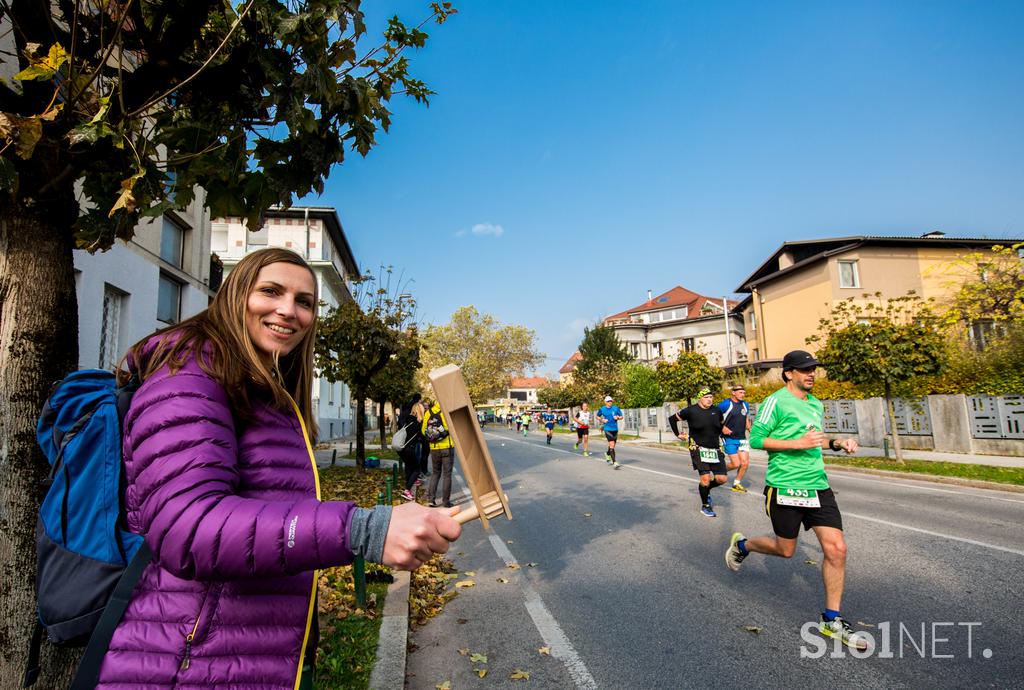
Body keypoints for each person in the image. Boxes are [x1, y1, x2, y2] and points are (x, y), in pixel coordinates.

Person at [102, 248, 461, 689]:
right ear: (235, 295)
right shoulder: (189, 373)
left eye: (305, 301)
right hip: (184, 665)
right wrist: (361, 530)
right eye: (270, 291)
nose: (288, 310)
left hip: (236, 657)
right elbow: (187, 529)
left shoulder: (256, 383)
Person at [724, 350, 864, 650]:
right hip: (785, 486)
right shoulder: (775, 401)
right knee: (786, 550)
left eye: (813, 369)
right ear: (789, 373)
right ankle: (743, 546)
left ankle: (831, 620)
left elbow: (817, 438)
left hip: (817, 484)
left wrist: (837, 442)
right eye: (804, 370)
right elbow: (758, 439)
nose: (811, 374)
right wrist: (795, 444)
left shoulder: (814, 403)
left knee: (837, 548)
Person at [669, 387, 727, 517]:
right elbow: (672, 419)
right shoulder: (690, 411)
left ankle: (706, 489)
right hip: (697, 448)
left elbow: (721, 425)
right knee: (705, 478)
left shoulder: (717, 411)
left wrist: (725, 432)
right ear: (700, 398)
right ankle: (705, 505)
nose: (709, 400)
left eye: (711, 397)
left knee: (722, 479)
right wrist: (678, 434)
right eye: (706, 397)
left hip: (715, 448)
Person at [422, 399, 456, 508]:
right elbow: (452, 428)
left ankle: (431, 500)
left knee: (435, 473)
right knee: (447, 475)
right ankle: (446, 502)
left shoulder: (428, 412)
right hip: (447, 447)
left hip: (434, 447)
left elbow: (423, 431)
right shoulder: (447, 411)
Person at [719, 384, 752, 492]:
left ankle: (736, 483)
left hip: (742, 438)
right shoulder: (726, 404)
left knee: (745, 463)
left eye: (744, 393)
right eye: (740, 392)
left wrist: (749, 428)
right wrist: (722, 427)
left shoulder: (745, 404)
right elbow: (714, 416)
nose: (743, 395)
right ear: (733, 392)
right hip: (729, 438)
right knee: (735, 464)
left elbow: (746, 417)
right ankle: (721, 470)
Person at [397, 393, 424, 501]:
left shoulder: (408, 418)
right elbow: (421, 436)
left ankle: (408, 486)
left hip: (401, 448)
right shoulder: (417, 423)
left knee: (409, 467)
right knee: (417, 469)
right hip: (408, 448)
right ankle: (407, 490)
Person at [596, 395, 624, 468]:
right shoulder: (602, 409)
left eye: (611, 401)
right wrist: (602, 420)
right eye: (608, 401)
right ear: (605, 402)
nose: (610, 402)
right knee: (611, 444)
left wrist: (617, 417)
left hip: (615, 429)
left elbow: (621, 416)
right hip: (607, 429)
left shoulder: (615, 408)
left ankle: (608, 454)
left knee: (613, 445)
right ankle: (614, 462)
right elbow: (597, 416)